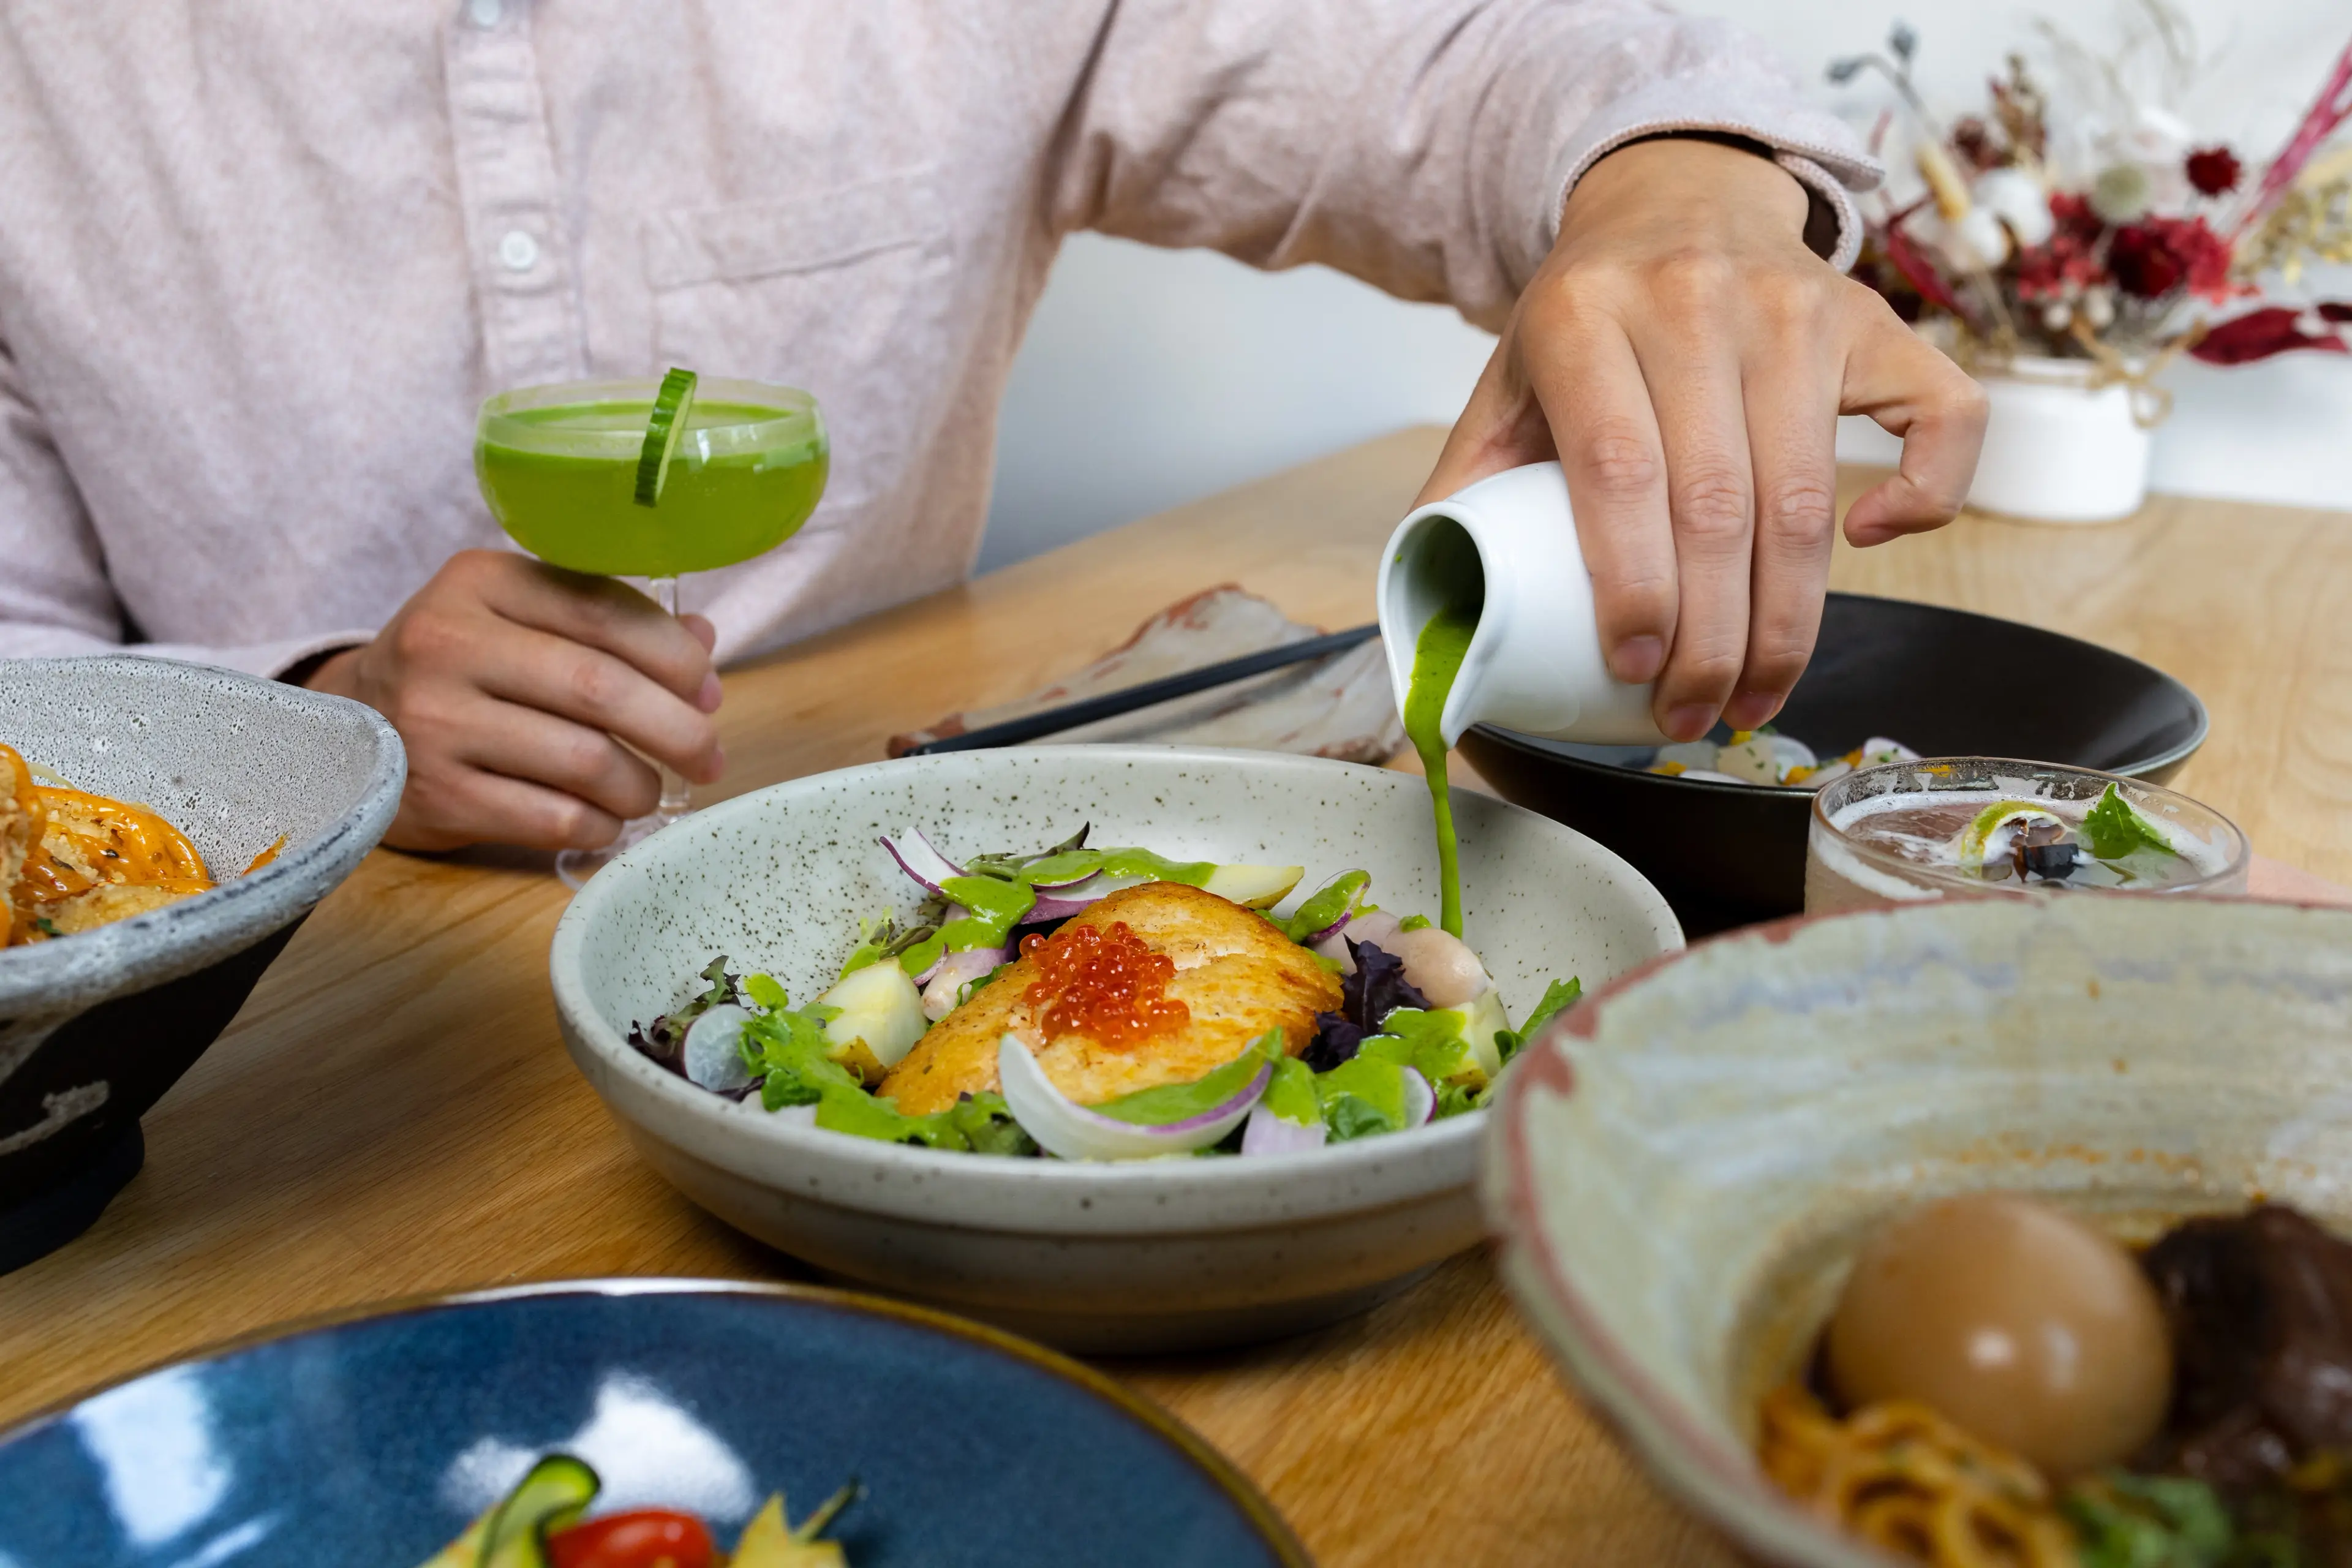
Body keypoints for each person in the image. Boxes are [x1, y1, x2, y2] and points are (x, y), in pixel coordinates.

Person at [0, 1, 1984, 854]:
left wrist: (1678, 195)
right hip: (280, 1014)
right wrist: (314, 720)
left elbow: (1464, 68)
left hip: (908, 839)